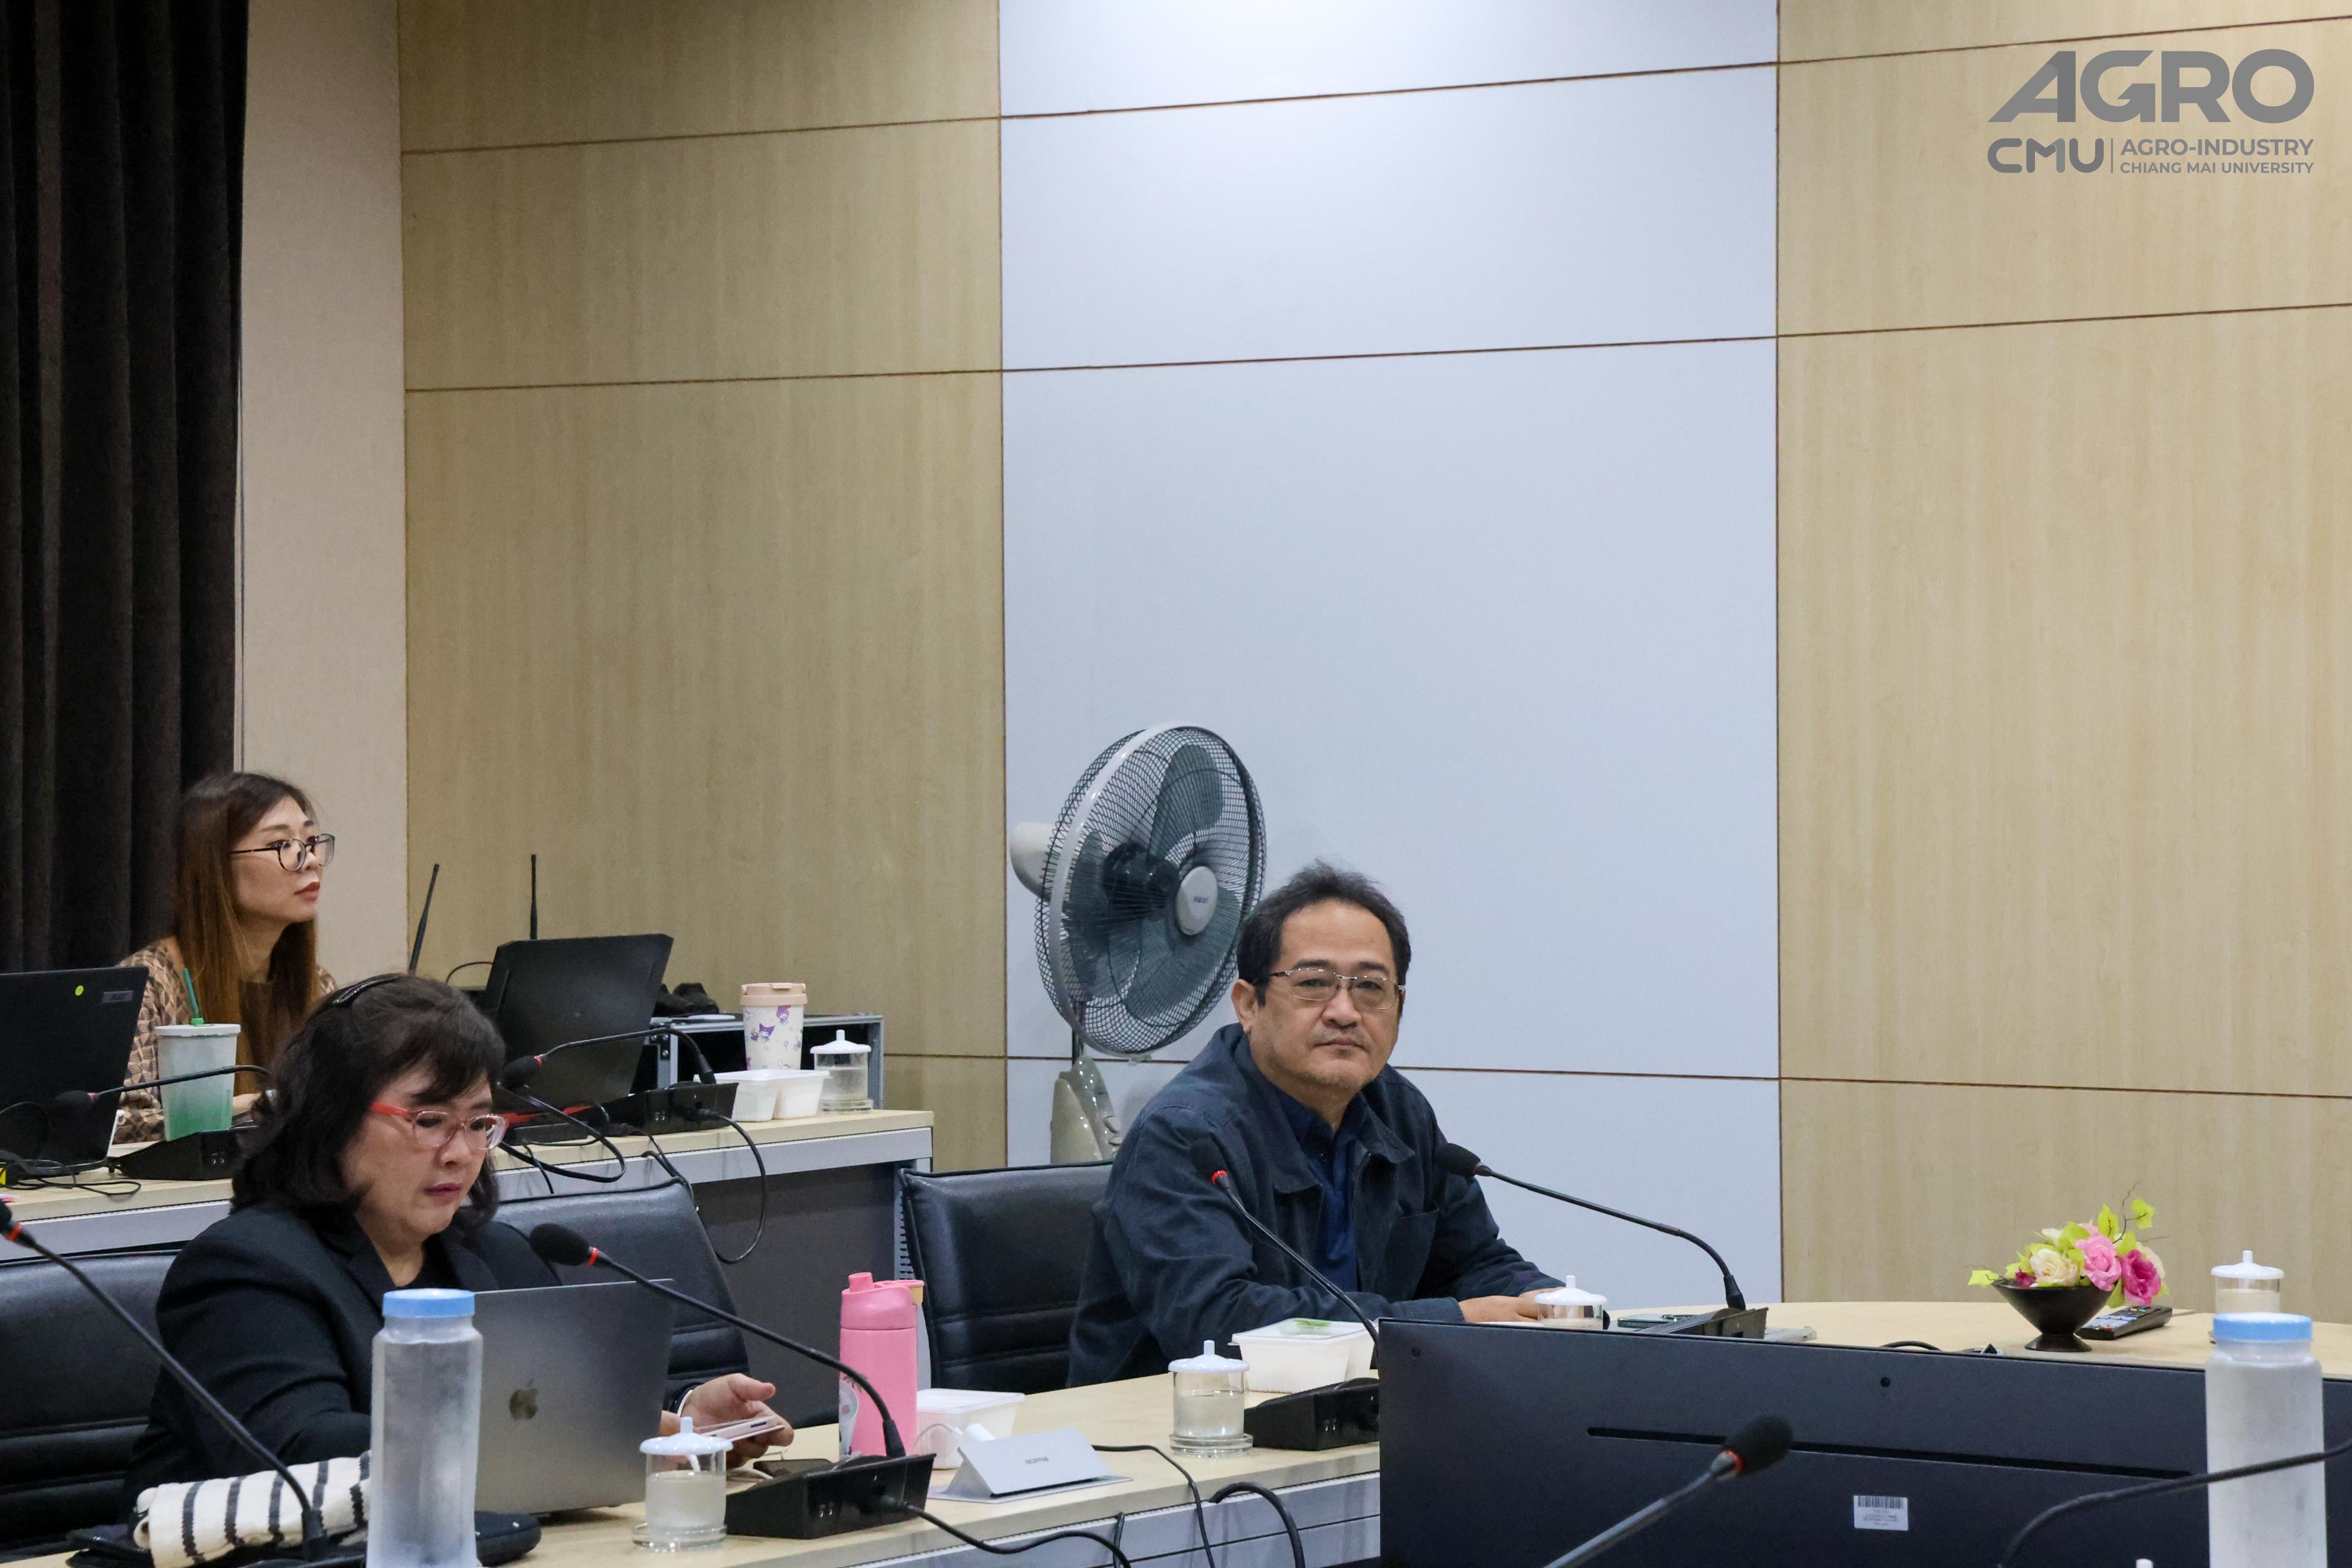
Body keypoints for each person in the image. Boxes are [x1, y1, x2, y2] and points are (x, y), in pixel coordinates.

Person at [123, 974, 783, 1499]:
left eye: (478, 1124)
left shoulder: (499, 1255)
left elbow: (549, 1409)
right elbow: (303, 1454)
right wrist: (594, 1436)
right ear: (332, 1119)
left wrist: (684, 1425)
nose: (461, 1153)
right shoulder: (246, 1269)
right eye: (430, 1120)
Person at [1067, 862, 1563, 1386]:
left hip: (1350, 1412)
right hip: (1178, 1421)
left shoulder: (1399, 1112)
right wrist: (1447, 1323)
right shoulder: (1185, 1135)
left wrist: (1554, 1305)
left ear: (1399, 1006)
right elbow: (1218, 1323)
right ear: (1248, 1005)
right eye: (1313, 984)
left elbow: (1475, 1262)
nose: (1344, 1012)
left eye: (1370, 987)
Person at [116, 772, 338, 1141]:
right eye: (282, 844)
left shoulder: (319, 986)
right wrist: (240, 1111)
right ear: (216, 866)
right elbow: (121, 1124)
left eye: (311, 842)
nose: (311, 860)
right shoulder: (144, 986)